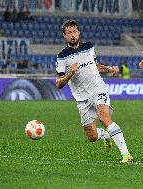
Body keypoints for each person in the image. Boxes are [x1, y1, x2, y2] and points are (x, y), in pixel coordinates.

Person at [55, 20, 133, 163]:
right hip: (81, 98)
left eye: (74, 31)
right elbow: (59, 83)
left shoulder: (89, 46)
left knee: (104, 117)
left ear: (78, 32)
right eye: (69, 33)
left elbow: (95, 65)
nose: (72, 35)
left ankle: (126, 155)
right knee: (92, 137)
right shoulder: (62, 56)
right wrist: (70, 73)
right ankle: (105, 135)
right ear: (64, 36)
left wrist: (110, 69)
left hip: (98, 88)